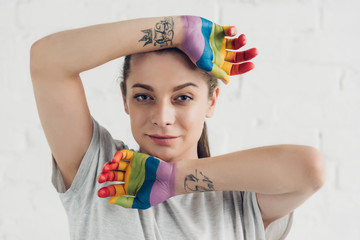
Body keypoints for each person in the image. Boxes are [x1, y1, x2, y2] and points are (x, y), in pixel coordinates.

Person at [30, 15, 326, 240]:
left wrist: (172, 180)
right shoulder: (102, 172)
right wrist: (180, 29)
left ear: (211, 101)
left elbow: (310, 169)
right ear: (125, 98)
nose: (162, 116)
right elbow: (48, 61)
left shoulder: (241, 199)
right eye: (144, 96)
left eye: (182, 97)